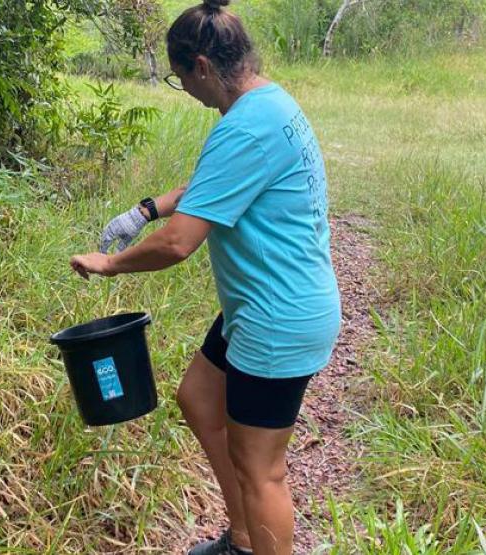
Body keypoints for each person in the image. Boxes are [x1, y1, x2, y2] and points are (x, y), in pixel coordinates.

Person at [69, 1, 342, 553]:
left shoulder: (245, 128)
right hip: (267, 303)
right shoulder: (268, 103)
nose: (185, 91)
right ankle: (242, 541)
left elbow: (179, 245)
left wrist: (109, 264)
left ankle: (256, 540)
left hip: (277, 316)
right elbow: (215, 188)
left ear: (199, 66)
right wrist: (146, 210)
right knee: (198, 397)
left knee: (260, 469)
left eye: (178, 80)